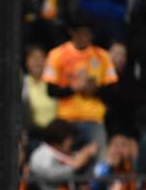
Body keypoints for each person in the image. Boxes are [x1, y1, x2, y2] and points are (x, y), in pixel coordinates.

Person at [43, 13, 118, 160]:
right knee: (65, 162)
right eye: (81, 33)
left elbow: (112, 91)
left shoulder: (102, 56)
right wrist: (73, 88)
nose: (85, 37)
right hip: (66, 120)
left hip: (94, 118)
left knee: (100, 161)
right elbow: (51, 91)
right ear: (72, 32)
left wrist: (94, 89)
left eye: (88, 34)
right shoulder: (57, 55)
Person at [22, 45, 57, 152]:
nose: (37, 62)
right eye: (33, 58)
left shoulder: (52, 83)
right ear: (26, 62)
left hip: (54, 136)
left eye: (41, 58)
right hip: (32, 135)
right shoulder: (22, 83)